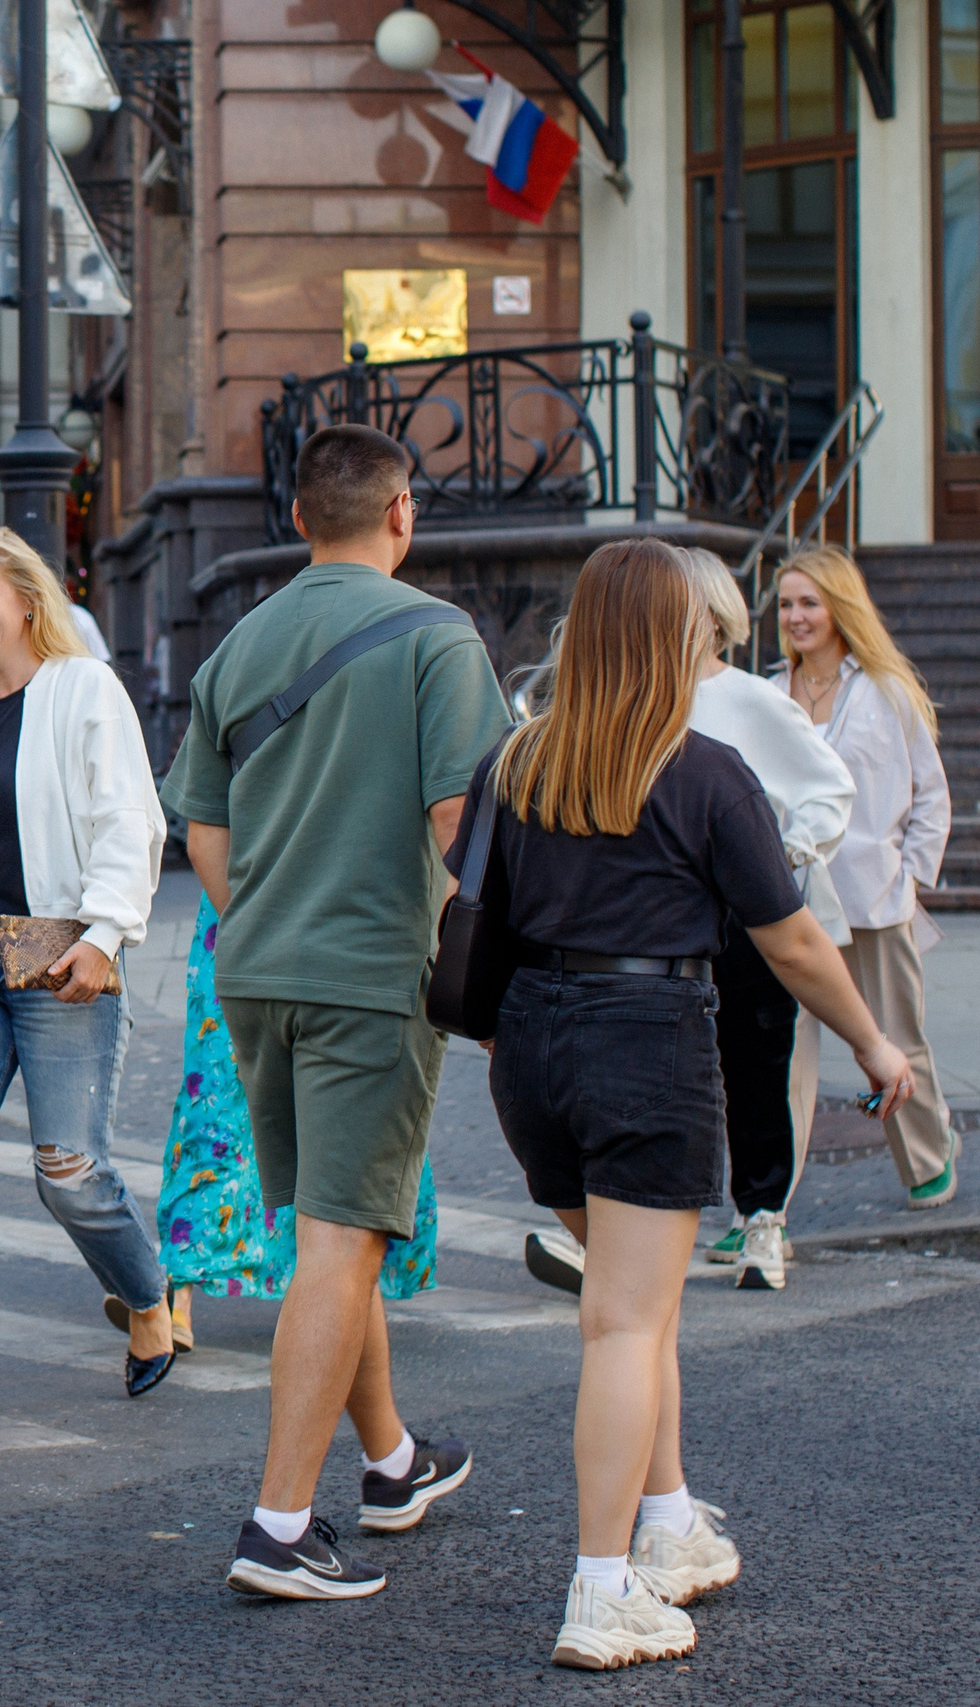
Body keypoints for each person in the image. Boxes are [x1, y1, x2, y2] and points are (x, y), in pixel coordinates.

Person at [448, 538, 915, 1669]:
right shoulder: (704, 772)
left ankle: (666, 1522)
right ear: (674, 638)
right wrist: (872, 1040)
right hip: (646, 1045)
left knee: (630, 1308)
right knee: (623, 1321)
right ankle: (601, 1589)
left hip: (533, 1057)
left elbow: (472, 919)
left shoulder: (516, 764)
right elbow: (795, 942)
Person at [159, 423, 509, 1599]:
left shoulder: (239, 641)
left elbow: (200, 825)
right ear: (401, 514)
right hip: (369, 977)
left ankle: (393, 1461)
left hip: (254, 975)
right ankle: (277, 1525)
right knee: (338, 1239)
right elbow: (463, 821)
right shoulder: (438, 639)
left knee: (328, 1225)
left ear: (298, 519)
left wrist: (260, 915)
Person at [0, 524, 174, 1432]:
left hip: (62, 955)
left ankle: (147, 1295)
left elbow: (130, 821)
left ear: (25, 598)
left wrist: (105, 932)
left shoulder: (84, 688)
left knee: (69, 1171)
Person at [684, 552, 855, 1291]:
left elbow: (828, 785)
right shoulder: (632, 696)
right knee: (663, 1075)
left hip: (744, 920)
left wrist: (785, 853)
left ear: (715, 615)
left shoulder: (753, 700)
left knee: (756, 1068)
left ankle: (762, 1220)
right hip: (661, 919)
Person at [158, 891, 441, 1330]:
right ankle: (337, 1282)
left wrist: (255, 929)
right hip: (348, 924)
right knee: (356, 1109)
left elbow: (206, 841)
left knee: (216, 1106)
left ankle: (185, 1293)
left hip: (250, 919)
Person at [772, 546, 956, 1207]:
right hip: (790, 905)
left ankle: (927, 1155)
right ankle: (770, 1203)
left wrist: (907, 879)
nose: (795, 616)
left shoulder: (887, 690)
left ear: (840, 607)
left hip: (875, 899)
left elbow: (931, 796)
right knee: (785, 1054)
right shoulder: (769, 695)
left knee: (896, 1039)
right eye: (787, 603)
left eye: (809, 602)